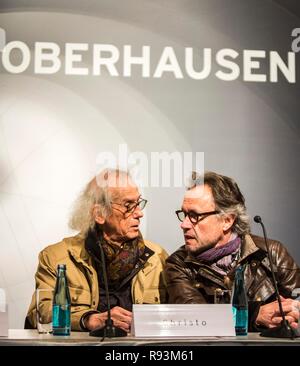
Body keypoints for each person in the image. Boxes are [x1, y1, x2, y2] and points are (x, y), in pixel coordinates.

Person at [26, 169, 168, 332]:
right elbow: (40, 312)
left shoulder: (157, 257)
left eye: (138, 203)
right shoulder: (56, 257)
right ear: (99, 213)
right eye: (128, 206)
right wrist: (87, 319)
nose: (139, 213)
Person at [165, 171, 300, 331]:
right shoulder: (178, 264)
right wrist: (254, 314)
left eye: (194, 216)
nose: (184, 224)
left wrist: (293, 313)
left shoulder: (271, 252)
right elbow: (197, 319)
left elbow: (296, 302)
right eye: (185, 214)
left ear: (227, 220)